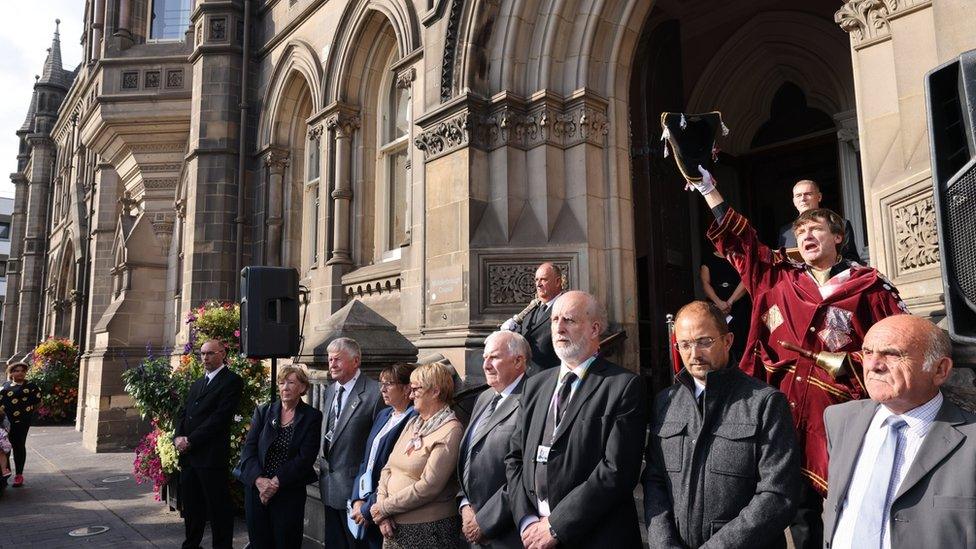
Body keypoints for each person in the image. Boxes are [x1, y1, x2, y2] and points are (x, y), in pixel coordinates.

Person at [685, 166, 907, 549]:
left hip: (840, 420)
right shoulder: (779, 278)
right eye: (800, 231)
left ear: (838, 237)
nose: (806, 235)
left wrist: (855, 361)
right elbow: (742, 243)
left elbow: (903, 344)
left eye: (816, 229)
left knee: (850, 508)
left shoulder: (870, 287)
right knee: (794, 514)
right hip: (782, 417)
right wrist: (709, 189)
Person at [644, 301, 800, 548]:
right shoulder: (666, 402)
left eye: (704, 341)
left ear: (727, 341)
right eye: (684, 344)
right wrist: (663, 544)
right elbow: (655, 480)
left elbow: (777, 495)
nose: (694, 354)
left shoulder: (766, 403)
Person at [506, 290, 647, 549]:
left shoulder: (623, 386)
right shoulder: (534, 386)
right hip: (532, 536)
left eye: (569, 320)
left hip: (595, 536)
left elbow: (617, 471)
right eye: (554, 320)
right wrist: (526, 521)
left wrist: (556, 525)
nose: (558, 327)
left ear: (594, 329)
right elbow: (515, 458)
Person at [823, 315, 976, 549]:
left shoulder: (971, 439)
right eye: (867, 352)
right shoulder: (840, 419)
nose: (874, 365)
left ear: (940, 370)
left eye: (892, 354)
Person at [372, 362, 464, 548]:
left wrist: (384, 508)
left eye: (415, 389)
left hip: (428, 531)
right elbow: (388, 467)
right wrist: (382, 510)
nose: (411, 394)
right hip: (391, 526)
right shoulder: (413, 423)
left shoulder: (451, 431)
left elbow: (429, 486)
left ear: (435, 391)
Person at [458, 331, 529, 548]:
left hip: (507, 533)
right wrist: (465, 505)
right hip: (471, 527)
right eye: (484, 358)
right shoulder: (484, 397)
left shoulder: (531, 400)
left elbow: (527, 473)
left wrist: (485, 521)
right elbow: (468, 457)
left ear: (518, 361)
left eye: (494, 358)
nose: (486, 365)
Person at [240, 365, 323, 548]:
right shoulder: (263, 412)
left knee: (286, 543)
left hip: (288, 492)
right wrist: (260, 481)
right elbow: (249, 450)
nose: (285, 387)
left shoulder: (311, 416)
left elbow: (305, 458)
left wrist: (275, 483)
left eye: (291, 382)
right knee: (259, 543)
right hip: (257, 491)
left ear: (302, 387)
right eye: (281, 382)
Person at [174, 340, 245, 549]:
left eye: (210, 353)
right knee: (192, 507)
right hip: (189, 457)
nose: (205, 358)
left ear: (223, 354)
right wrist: (178, 437)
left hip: (210, 456)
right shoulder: (197, 383)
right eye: (202, 354)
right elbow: (183, 414)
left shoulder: (231, 381)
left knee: (218, 508)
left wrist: (191, 440)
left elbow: (219, 418)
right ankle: (191, 545)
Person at [319, 337, 386, 549]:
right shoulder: (331, 390)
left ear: (356, 361)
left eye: (337, 359)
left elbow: (381, 448)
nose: (332, 364)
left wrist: (369, 496)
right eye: (330, 360)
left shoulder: (375, 393)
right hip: (329, 488)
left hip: (357, 495)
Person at [350, 363, 418, 549]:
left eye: (389, 383)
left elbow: (396, 471)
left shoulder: (413, 420)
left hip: (386, 507)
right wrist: (357, 499)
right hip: (365, 502)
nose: (383, 388)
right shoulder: (384, 414)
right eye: (381, 383)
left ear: (406, 389)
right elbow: (366, 461)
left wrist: (368, 507)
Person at [501, 262, 565, 374]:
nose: (538, 284)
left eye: (543, 279)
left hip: (551, 377)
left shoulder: (565, 306)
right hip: (526, 378)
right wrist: (512, 336)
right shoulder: (532, 309)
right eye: (536, 280)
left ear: (558, 282)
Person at [778, 180, 862, 263]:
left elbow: (851, 260)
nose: (803, 199)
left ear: (819, 197)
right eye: (798, 196)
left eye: (808, 194)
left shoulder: (842, 225)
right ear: (794, 201)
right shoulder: (785, 232)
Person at [700, 249, 750, 361]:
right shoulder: (708, 258)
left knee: (740, 340)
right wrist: (718, 302)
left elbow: (745, 280)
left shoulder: (739, 256)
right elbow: (705, 283)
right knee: (717, 337)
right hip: (716, 306)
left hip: (739, 304)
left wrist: (730, 302)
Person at [0, 362, 39, 488]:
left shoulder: (31, 386)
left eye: (22, 370)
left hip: (23, 422)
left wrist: (28, 413)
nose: (20, 373)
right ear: (11, 373)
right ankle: (5, 474)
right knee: (5, 447)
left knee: (19, 446)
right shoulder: (5, 387)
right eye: (16, 370)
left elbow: (39, 402)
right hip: (6, 422)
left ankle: (19, 475)